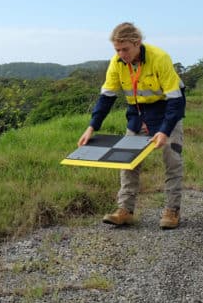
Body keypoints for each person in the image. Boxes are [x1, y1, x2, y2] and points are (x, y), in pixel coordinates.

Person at [78, 22, 185, 229]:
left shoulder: (159, 58)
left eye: (125, 49)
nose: (121, 54)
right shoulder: (116, 62)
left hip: (166, 114)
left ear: (137, 43)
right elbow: (106, 98)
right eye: (117, 49)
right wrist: (92, 126)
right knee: (126, 162)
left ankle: (172, 211)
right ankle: (125, 210)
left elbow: (176, 100)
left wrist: (164, 130)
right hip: (137, 116)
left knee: (172, 160)